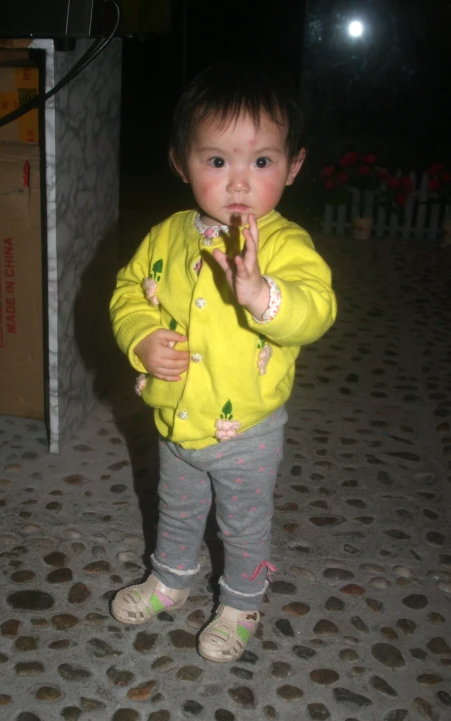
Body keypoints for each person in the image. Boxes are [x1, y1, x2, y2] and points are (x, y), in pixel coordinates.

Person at [109, 61, 337, 662]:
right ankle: (172, 579)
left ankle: (243, 599)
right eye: (217, 161)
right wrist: (140, 339)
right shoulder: (166, 235)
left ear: (293, 166)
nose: (239, 182)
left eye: (261, 162)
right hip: (175, 417)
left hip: (249, 430)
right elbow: (129, 289)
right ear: (181, 162)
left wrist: (264, 296)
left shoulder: (287, 245)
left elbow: (316, 310)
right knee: (177, 510)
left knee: (244, 525)